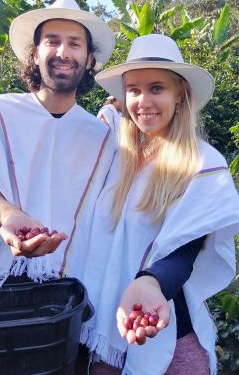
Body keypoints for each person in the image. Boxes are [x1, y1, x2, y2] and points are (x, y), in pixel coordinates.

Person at [72, 34, 239, 375]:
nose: (142, 100)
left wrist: (150, 282)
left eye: (156, 88)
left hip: (167, 334)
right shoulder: (119, 160)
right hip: (106, 333)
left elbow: (187, 248)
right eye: (133, 89)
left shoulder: (202, 163)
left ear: (180, 94)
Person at [0, 0, 117, 288]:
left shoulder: (102, 139)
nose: (63, 52)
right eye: (52, 41)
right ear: (35, 54)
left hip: (65, 284)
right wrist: (9, 216)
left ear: (89, 60)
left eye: (75, 43)